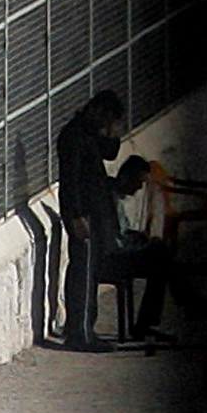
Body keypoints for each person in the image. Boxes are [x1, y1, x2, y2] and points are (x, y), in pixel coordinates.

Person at [54, 91, 126, 351]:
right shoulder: (74, 136)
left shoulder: (91, 135)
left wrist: (112, 132)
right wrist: (75, 216)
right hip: (82, 213)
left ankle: (86, 328)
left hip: (94, 212)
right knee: (82, 272)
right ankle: (79, 333)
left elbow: (110, 153)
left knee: (91, 270)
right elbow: (70, 181)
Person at [100, 156, 180, 343]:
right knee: (161, 254)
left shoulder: (116, 197)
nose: (138, 189)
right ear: (127, 177)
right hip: (111, 259)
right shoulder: (109, 199)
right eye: (138, 182)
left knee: (161, 261)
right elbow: (115, 242)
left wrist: (138, 237)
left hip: (119, 252)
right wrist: (139, 243)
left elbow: (123, 232)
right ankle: (183, 301)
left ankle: (147, 324)